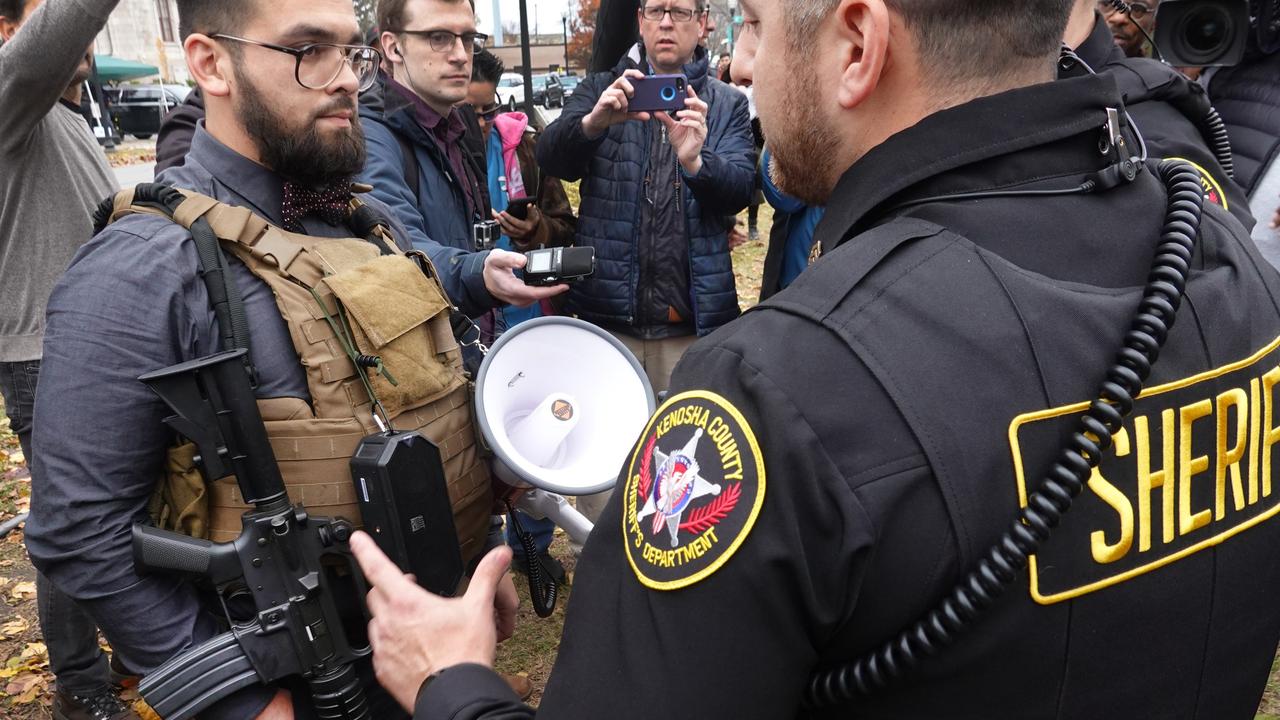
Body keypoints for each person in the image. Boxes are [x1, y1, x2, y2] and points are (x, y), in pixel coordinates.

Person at [350, 0, 1280, 718]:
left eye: (755, 23)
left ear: (857, 43)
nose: (742, 61)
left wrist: (453, 682)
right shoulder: (1222, 256)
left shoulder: (774, 394)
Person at [24, 0, 539, 717]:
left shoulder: (365, 226)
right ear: (210, 64)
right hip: (289, 683)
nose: (347, 80)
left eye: (350, 51)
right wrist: (241, 699)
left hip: (425, 656)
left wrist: (470, 550)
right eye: (307, 50)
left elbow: (427, 407)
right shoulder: (142, 266)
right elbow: (78, 528)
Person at [535, 0, 754, 526]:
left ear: (702, 22)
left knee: (686, 466)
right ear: (638, 21)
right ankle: (608, 562)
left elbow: (742, 187)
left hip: (690, 323)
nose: (665, 22)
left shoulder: (724, 104)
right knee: (607, 460)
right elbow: (550, 158)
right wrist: (591, 124)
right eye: (655, 10)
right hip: (608, 320)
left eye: (679, 11)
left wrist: (697, 162)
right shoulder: (602, 91)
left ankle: (671, 568)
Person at [0, 2, 140, 719]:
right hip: (44, 356)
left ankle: (128, 654)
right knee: (69, 521)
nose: (79, 43)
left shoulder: (66, 118)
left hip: (105, 343)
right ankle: (80, 685)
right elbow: (53, 34)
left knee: (127, 507)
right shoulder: (9, 98)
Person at [358, 0, 557, 325]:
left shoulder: (453, 126)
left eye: (467, 38)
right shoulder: (373, 136)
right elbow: (400, 248)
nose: (461, 55)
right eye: (439, 37)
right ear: (393, 48)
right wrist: (481, 274)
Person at [467, 48, 577, 582]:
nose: (480, 123)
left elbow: (564, 225)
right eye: (469, 113)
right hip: (461, 328)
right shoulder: (427, 158)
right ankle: (485, 558)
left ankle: (534, 550)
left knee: (536, 430)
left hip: (527, 321)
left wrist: (536, 233)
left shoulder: (524, 148)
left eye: (487, 110)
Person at [1064, 0, 1253, 230]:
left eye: (1138, 8)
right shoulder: (1056, 87)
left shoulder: (1155, 127)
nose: (1120, 17)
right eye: (1109, 2)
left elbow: (1225, 241)